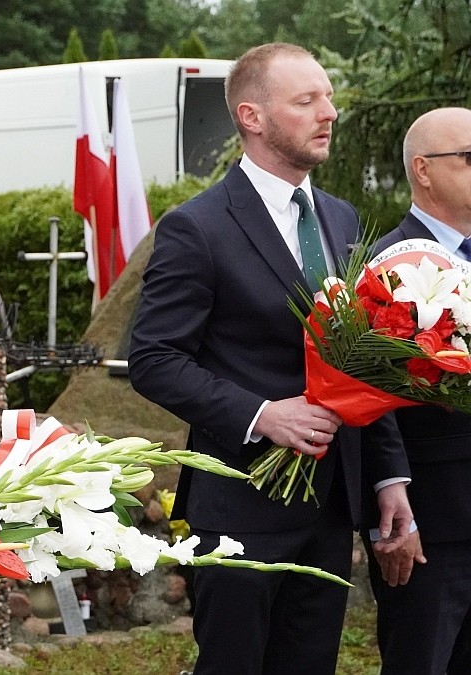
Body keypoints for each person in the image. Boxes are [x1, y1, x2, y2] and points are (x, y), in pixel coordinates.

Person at [128, 43, 414, 674]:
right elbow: (152, 357)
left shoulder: (341, 220)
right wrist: (262, 414)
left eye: (329, 97)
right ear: (252, 117)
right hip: (240, 505)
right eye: (306, 101)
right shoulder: (196, 227)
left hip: (331, 508)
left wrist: (388, 478)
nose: (329, 113)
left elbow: (366, 361)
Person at [364, 106, 471, 675]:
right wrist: (393, 514)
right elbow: (369, 399)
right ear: (424, 170)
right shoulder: (391, 266)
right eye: (470, 158)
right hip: (433, 519)